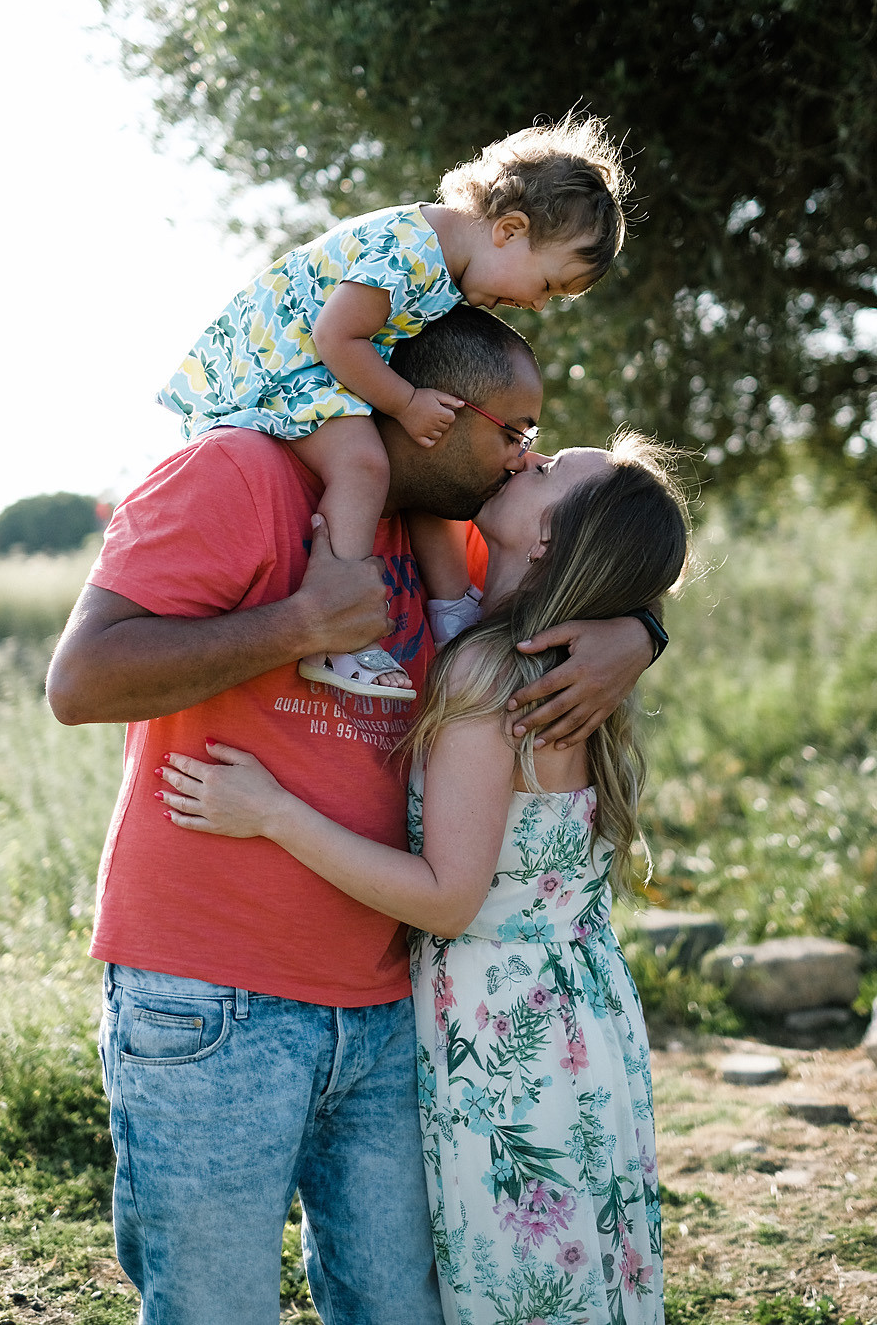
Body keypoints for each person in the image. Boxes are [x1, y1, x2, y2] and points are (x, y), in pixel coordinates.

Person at [46, 305, 658, 1325]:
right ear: (435, 413)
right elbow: (79, 682)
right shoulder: (241, 474)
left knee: (402, 1307)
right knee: (214, 1308)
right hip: (212, 996)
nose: (526, 457)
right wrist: (298, 624)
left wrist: (638, 631)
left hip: (393, 1008)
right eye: (513, 433)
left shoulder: (458, 521)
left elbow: (600, 553)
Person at [156, 431, 691, 1325]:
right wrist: (643, 626)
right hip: (577, 1019)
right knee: (577, 1276)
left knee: (520, 1288)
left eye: (549, 468)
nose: (525, 456)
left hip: (505, 1039)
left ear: (554, 538)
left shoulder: (489, 675)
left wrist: (276, 813)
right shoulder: (531, 648)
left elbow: (449, 897)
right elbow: (443, 526)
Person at [157, 115, 630, 697]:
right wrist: (405, 402)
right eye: (550, 285)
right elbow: (335, 337)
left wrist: (638, 632)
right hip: (281, 360)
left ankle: (452, 610)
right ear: (509, 229)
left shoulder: (443, 270)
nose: (538, 304)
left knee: (428, 473)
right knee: (363, 464)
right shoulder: (410, 251)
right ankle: (340, 636)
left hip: (317, 360)